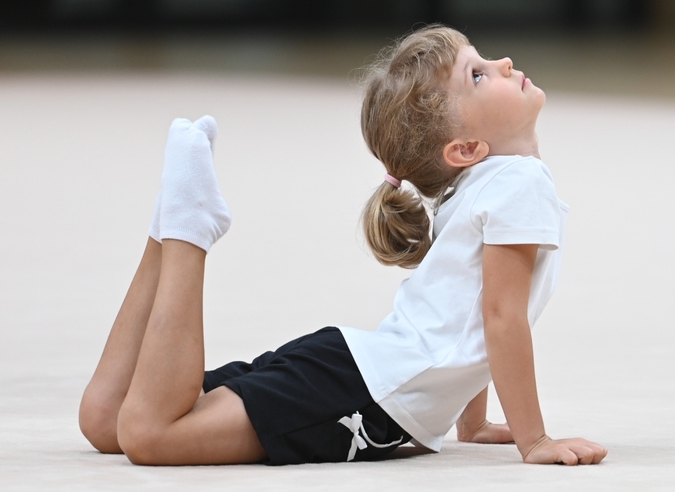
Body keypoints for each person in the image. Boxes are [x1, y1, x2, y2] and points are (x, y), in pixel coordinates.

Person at [78, 25, 607, 467]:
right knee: (150, 434)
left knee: (110, 419)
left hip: (349, 367)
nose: (505, 62)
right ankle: (188, 231)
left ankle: (167, 221)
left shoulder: (480, 185)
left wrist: (472, 423)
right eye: (478, 73)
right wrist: (533, 439)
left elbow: (464, 314)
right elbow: (500, 318)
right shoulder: (521, 183)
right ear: (465, 148)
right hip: (368, 396)